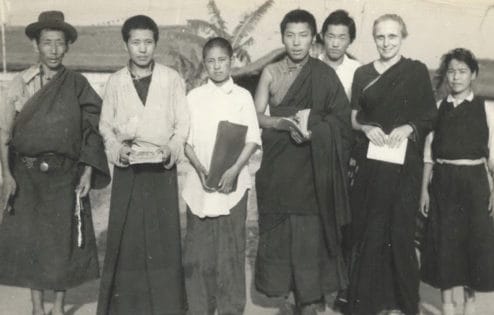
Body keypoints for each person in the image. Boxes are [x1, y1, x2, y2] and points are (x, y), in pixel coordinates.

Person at [0, 11, 110, 315]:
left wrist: (87, 169)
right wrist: (7, 175)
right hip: (27, 174)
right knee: (32, 242)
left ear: (68, 47)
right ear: (36, 45)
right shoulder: (20, 82)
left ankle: (59, 307)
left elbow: (93, 130)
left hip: (65, 176)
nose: (53, 50)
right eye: (47, 43)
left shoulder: (77, 84)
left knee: (62, 243)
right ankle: (37, 308)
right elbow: (3, 132)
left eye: (59, 43)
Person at [254, 9, 352, 315]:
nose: (296, 43)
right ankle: (286, 300)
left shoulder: (325, 75)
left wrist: (315, 132)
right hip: (279, 172)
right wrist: (282, 125)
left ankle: (311, 303)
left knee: (310, 240)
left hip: (313, 172)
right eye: (290, 35)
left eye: (303, 35)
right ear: (282, 37)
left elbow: (341, 122)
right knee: (282, 240)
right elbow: (255, 116)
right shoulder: (270, 73)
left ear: (313, 39)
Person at [96, 15, 189, 315]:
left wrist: (171, 148)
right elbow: (105, 126)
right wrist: (116, 148)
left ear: (155, 44)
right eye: (136, 42)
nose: (142, 49)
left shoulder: (171, 78)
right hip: (129, 169)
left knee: (162, 238)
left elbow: (182, 123)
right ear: (126, 44)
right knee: (129, 238)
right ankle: (127, 307)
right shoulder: (116, 82)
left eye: (148, 42)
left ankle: (166, 307)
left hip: (161, 169)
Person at [347, 14, 437, 315]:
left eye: (392, 37)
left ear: (403, 38)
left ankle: (404, 305)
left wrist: (409, 127)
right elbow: (353, 117)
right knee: (372, 233)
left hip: (405, 166)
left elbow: (429, 116)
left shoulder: (416, 71)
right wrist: (366, 128)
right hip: (372, 165)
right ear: (374, 39)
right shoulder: (362, 73)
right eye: (381, 37)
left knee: (400, 234)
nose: (386, 43)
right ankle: (368, 306)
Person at [182, 37, 261, 315]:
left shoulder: (242, 97)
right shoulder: (193, 97)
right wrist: (201, 169)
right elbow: (186, 141)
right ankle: (200, 308)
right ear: (205, 64)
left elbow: (251, 139)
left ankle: (230, 309)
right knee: (198, 255)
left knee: (230, 254)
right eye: (211, 61)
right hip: (199, 185)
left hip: (233, 186)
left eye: (222, 60)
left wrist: (234, 170)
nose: (217, 67)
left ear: (231, 61)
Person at [420, 48, 494, 315]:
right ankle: (448, 307)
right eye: (451, 71)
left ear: (473, 74)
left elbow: (492, 155)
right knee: (445, 246)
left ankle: (469, 306)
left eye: (462, 71)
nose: (456, 77)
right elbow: (429, 154)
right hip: (443, 185)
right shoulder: (438, 109)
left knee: (473, 246)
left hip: (475, 184)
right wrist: (423, 192)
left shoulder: (486, 109)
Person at [319, 9, 361, 101]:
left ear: (351, 40)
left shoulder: (357, 70)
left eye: (342, 38)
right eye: (330, 36)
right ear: (322, 36)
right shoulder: (309, 66)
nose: (335, 44)